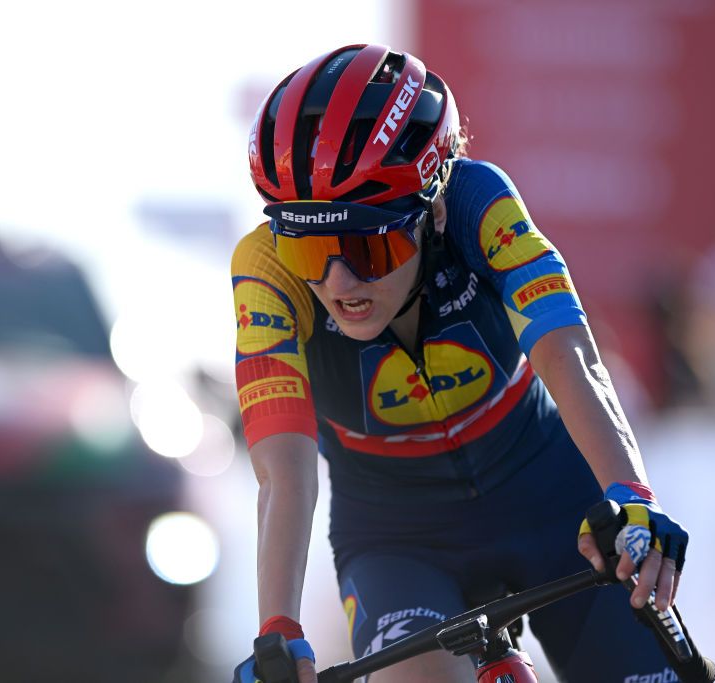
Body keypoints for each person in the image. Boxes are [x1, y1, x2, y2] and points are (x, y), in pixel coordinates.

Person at [231, 44, 690, 683]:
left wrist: (629, 493)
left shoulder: (478, 199)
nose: (339, 282)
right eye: (311, 250)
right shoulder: (264, 269)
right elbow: (282, 467)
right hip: (395, 538)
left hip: (550, 499)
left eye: (368, 244)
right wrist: (277, 629)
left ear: (435, 208)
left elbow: (567, 352)